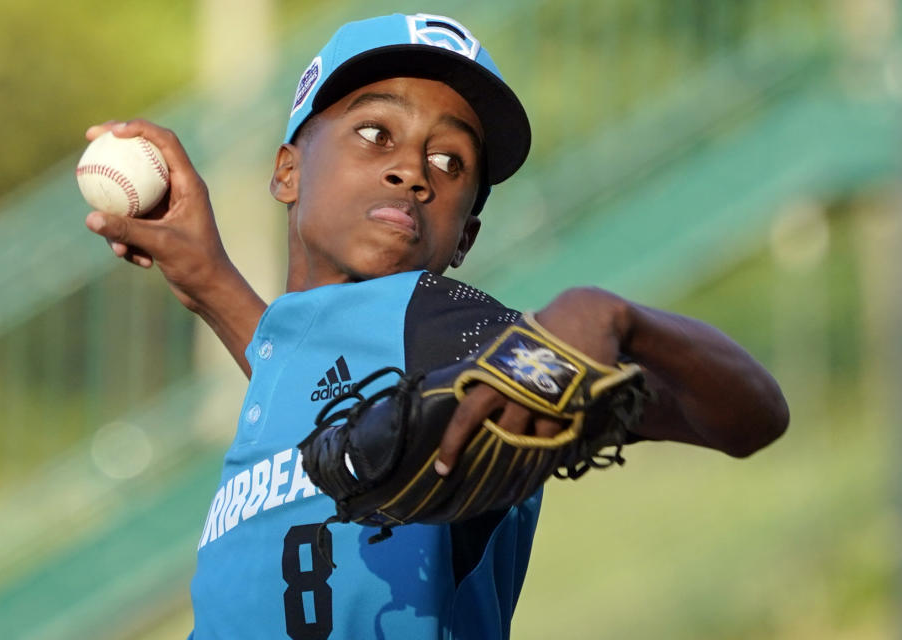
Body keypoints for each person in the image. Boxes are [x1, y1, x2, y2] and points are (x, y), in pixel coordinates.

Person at [83, 13, 789, 640]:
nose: (411, 171)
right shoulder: (294, 344)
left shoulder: (442, 323)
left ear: (464, 238)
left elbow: (750, 416)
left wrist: (614, 319)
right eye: (373, 132)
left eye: (450, 161)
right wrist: (208, 279)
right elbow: (313, 381)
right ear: (286, 171)